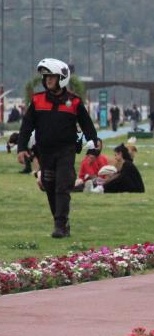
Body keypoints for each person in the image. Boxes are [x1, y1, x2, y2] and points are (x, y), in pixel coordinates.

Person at [17, 58, 101, 238]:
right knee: (49, 185)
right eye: (46, 77)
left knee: (62, 185)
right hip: (44, 152)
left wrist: (93, 149)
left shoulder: (75, 102)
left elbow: (88, 127)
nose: (48, 80)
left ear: (61, 78)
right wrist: (21, 148)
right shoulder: (37, 100)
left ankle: (60, 225)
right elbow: (26, 126)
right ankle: (61, 220)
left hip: (66, 151)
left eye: (52, 77)